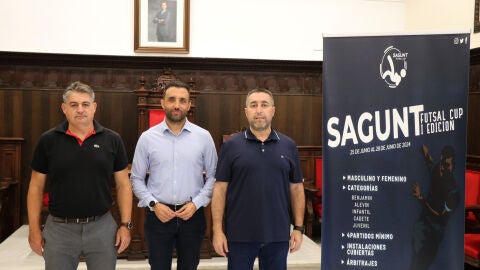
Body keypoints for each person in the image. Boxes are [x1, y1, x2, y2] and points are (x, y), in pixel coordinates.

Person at [27, 81, 133, 270]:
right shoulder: (48, 140)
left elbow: (124, 184)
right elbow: (35, 186)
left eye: (85, 104)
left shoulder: (112, 140)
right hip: (59, 229)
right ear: (64, 108)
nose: (80, 109)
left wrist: (126, 225)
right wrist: (34, 229)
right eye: (74, 105)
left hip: (101, 226)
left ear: (94, 107)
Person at [211, 88, 305, 270]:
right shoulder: (231, 146)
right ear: (246, 112)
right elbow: (220, 188)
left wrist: (299, 228)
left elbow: (296, 188)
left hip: (277, 235)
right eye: (253, 105)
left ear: (273, 110)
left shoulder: (288, 145)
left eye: (264, 105)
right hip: (239, 235)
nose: (259, 110)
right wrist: (217, 230)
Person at [130, 81, 218, 270]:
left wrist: (196, 203)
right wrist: (153, 204)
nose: (176, 105)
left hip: (192, 215)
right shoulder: (147, 138)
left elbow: (213, 176)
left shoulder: (204, 137)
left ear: (189, 104)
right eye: (171, 100)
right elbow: (136, 178)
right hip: (158, 216)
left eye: (182, 100)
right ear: (163, 103)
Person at [409, 144, 460, 270]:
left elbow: (440, 218)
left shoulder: (453, 192)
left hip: (434, 232)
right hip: (421, 226)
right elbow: (430, 161)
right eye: (448, 164)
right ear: (442, 159)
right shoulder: (436, 167)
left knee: (420, 264)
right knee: (414, 263)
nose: (451, 168)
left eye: (452, 165)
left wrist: (421, 198)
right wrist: (425, 152)